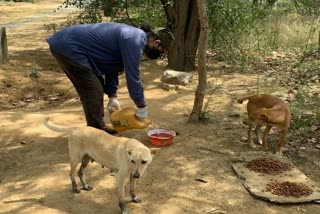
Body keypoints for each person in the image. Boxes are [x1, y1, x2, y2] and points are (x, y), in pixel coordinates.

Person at [46, 22, 174, 134]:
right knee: (93, 89)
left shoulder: (134, 37)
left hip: (71, 44)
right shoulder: (135, 40)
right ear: (156, 42)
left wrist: (112, 95)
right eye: (162, 51)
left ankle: (97, 127)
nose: (160, 54)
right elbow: (133, 77)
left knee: (96, 86)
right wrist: (141, 105)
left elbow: (113, 65)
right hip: (68, 46)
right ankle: (96, 133)